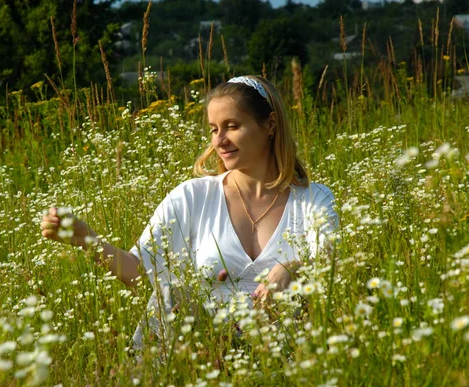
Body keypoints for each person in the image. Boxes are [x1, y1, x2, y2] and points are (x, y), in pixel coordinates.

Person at [41, 75, 338, 346]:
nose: (219, 141)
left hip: (285, 352)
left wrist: (292, 267)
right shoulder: (194, 196)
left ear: (270, 124)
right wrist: (84, 237)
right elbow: (137, 273)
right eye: (214, 129)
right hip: (199, 352)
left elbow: (331, 266)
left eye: (232, 126)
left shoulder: (313, 200)